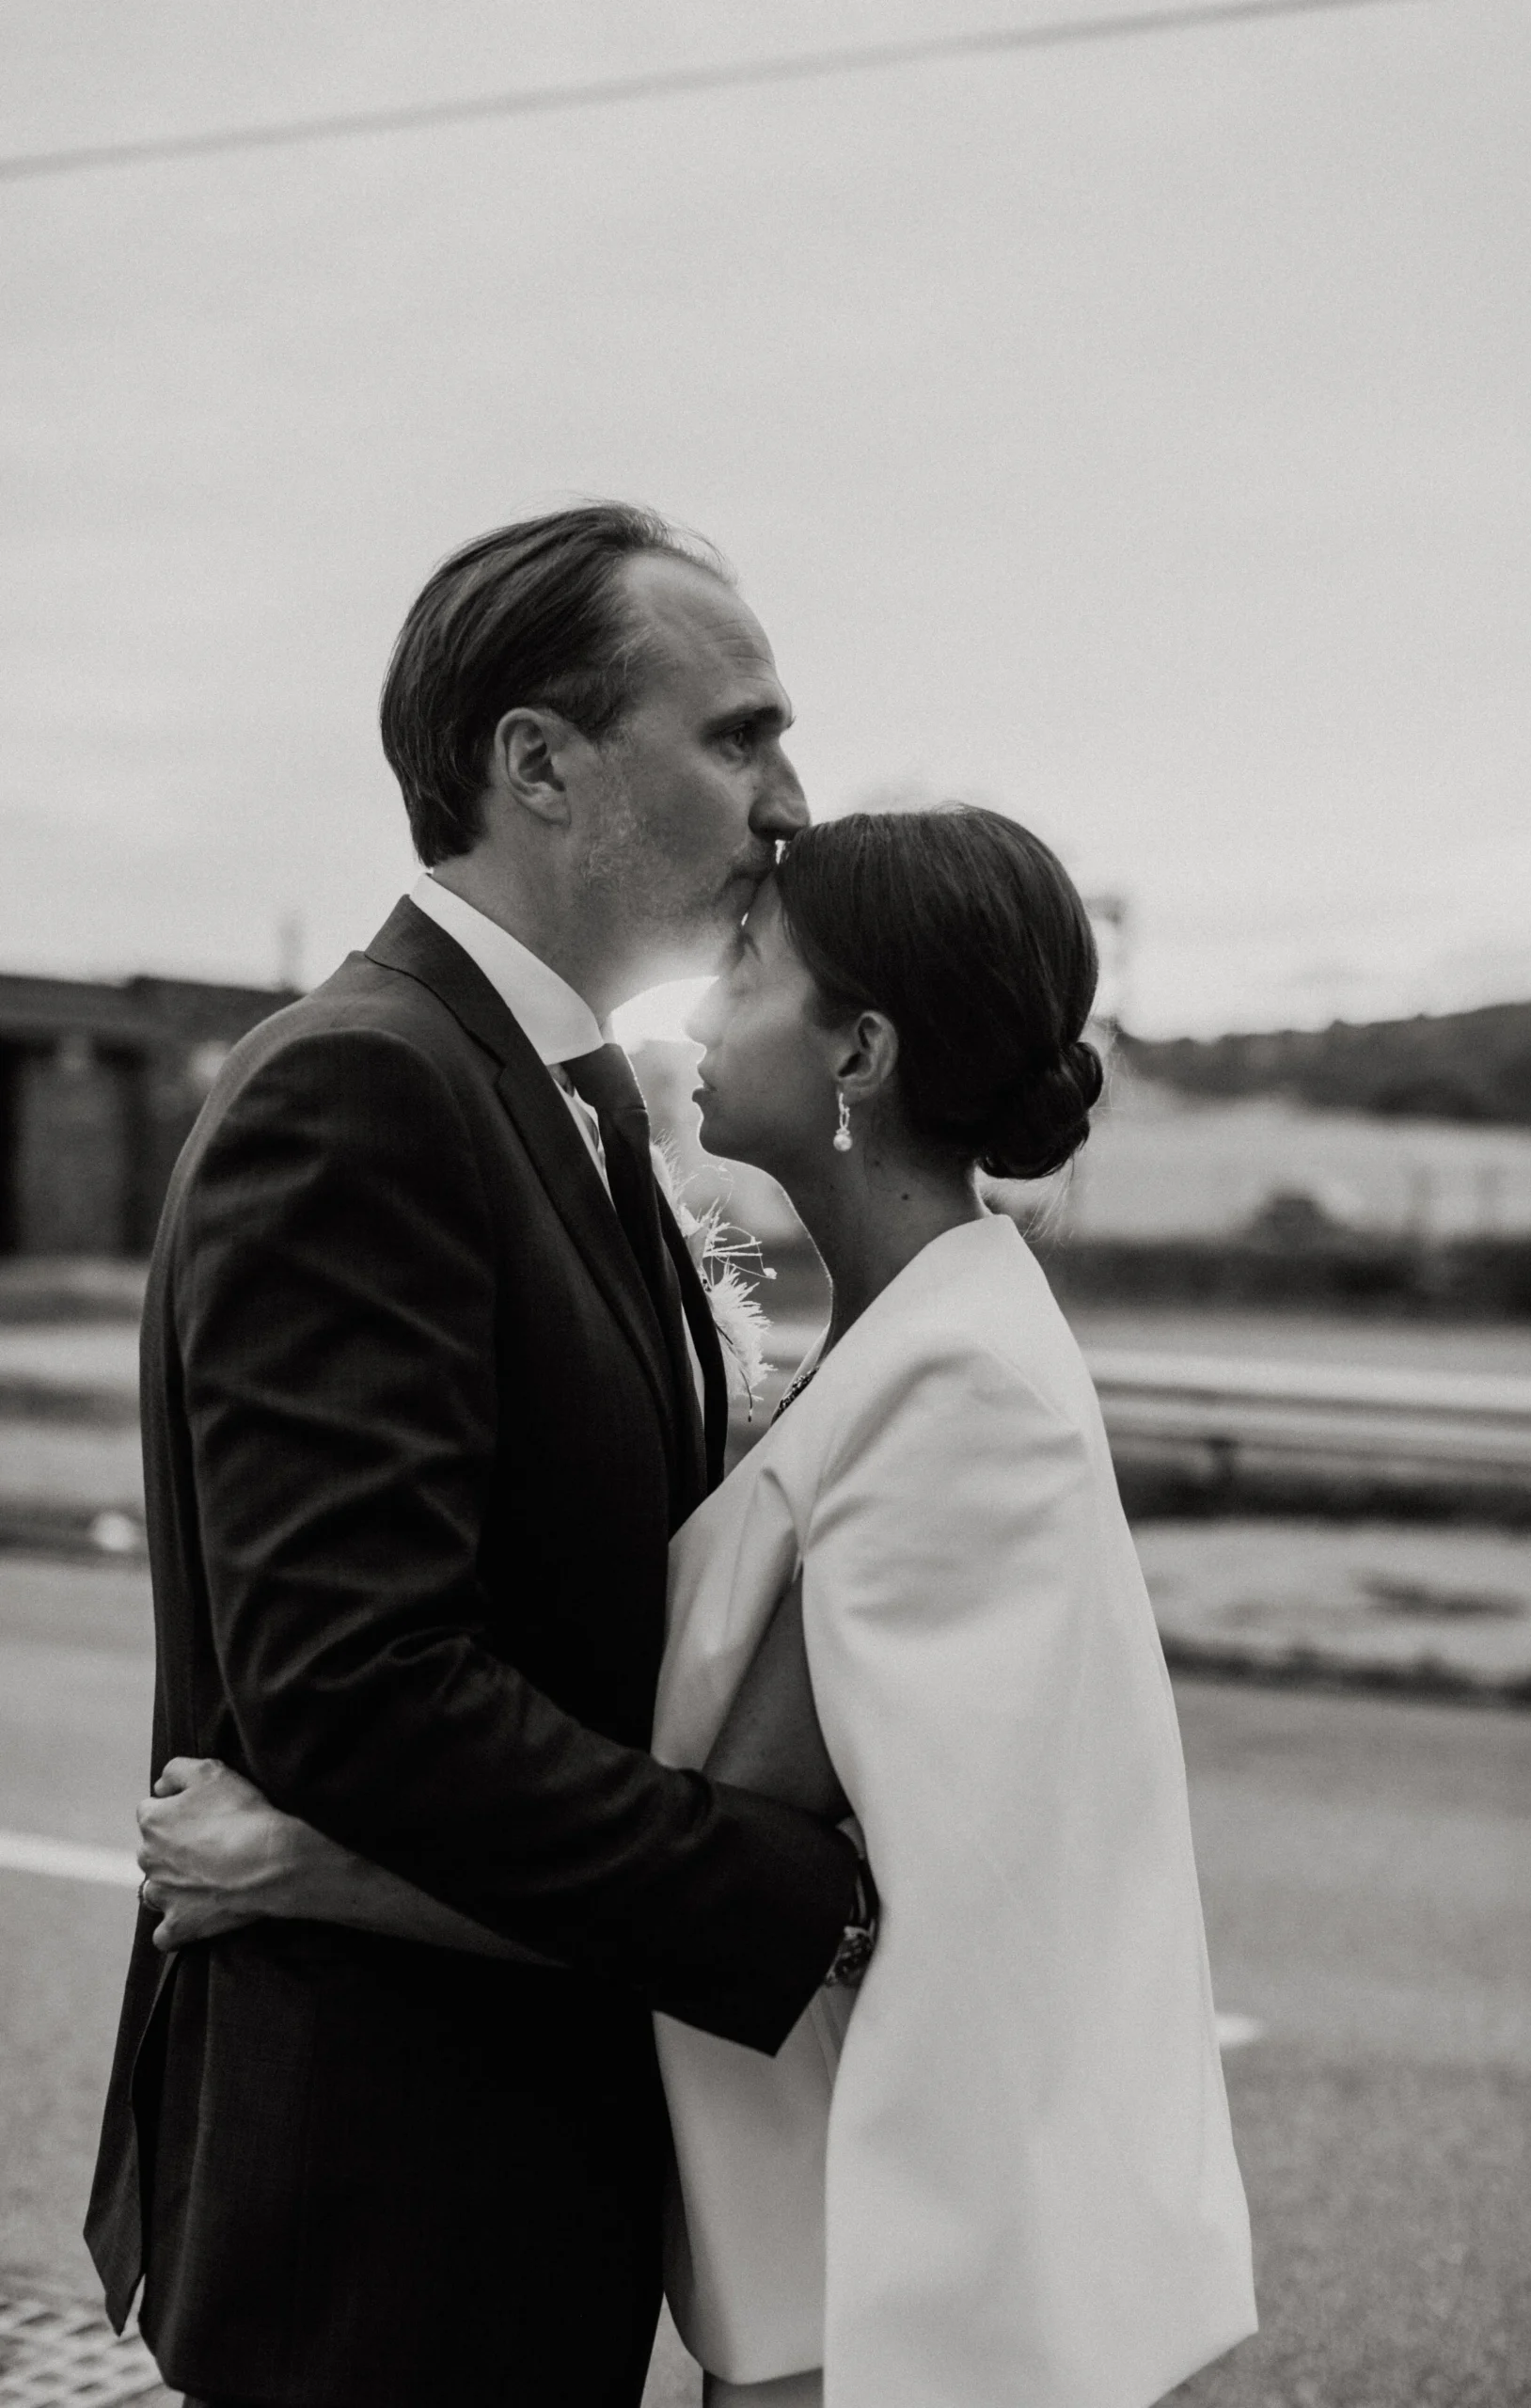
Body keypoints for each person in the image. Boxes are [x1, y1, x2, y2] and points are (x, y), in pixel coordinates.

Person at [137, 807, 1257, 2407]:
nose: (702, 1011)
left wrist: (315, 1870)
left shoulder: (955, 1386)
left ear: (859, 1051)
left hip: (910, 2264)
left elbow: (745, 1873)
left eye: (750, 972)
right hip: (831, 2236)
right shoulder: (898, 1337)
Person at [87, 503, 870, 2408]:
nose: (790, 805)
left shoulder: (565, 1095)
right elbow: (357, 1687)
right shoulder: (365, 1086)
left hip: (517, 2181)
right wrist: (795, 1904)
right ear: (538, 762)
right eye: (740, 736)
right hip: (381, 2216)